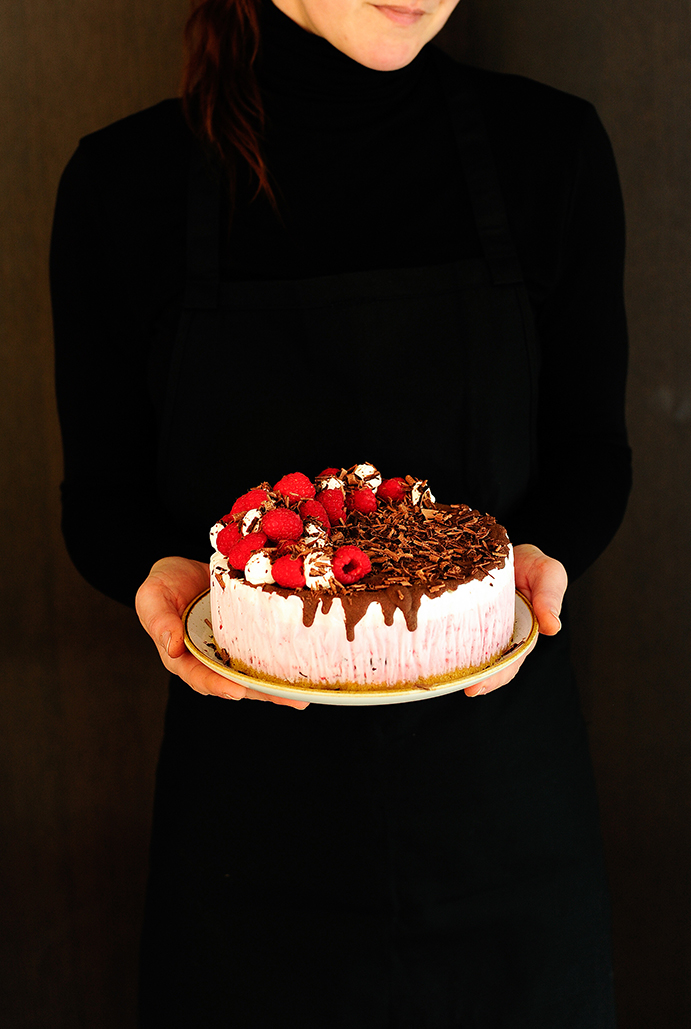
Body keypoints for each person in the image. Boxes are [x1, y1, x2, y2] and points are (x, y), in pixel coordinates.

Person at [51, 1, 631, 1025]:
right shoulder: (123, 185)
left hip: (506, 837)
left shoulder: (550, 153)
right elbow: (101, 503)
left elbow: (593, 456)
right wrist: (155, 573)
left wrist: (542, 553)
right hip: (248, 852)